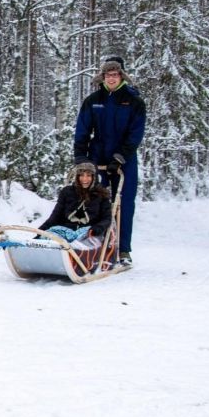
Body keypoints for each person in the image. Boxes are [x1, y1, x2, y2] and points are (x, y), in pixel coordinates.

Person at [73, 56, 146, 266]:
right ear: (102, 77)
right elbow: (82, 130)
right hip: (98, 158)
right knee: (94, 201)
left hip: (125, 160)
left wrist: (120, 157)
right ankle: (95, 245)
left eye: (115, 74)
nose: (111, 78)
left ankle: (122, 249)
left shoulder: (134, 101)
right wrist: (81, 156)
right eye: (108, 74)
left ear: (121, 76)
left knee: (124, 204)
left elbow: (135, 134)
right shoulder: (93, 100)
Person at [37, 161, 112, 244]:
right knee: (49, 238)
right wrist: (41, 231)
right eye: (81, 175)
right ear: (77, 177)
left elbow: (107, 218)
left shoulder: (102, 195)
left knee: (77, 243)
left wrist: (98, 228)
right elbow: (55, 216)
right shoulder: (67, 192)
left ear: (94, 177)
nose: (84, 179)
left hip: (89, 232)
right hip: (66, 230)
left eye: (88, 175)